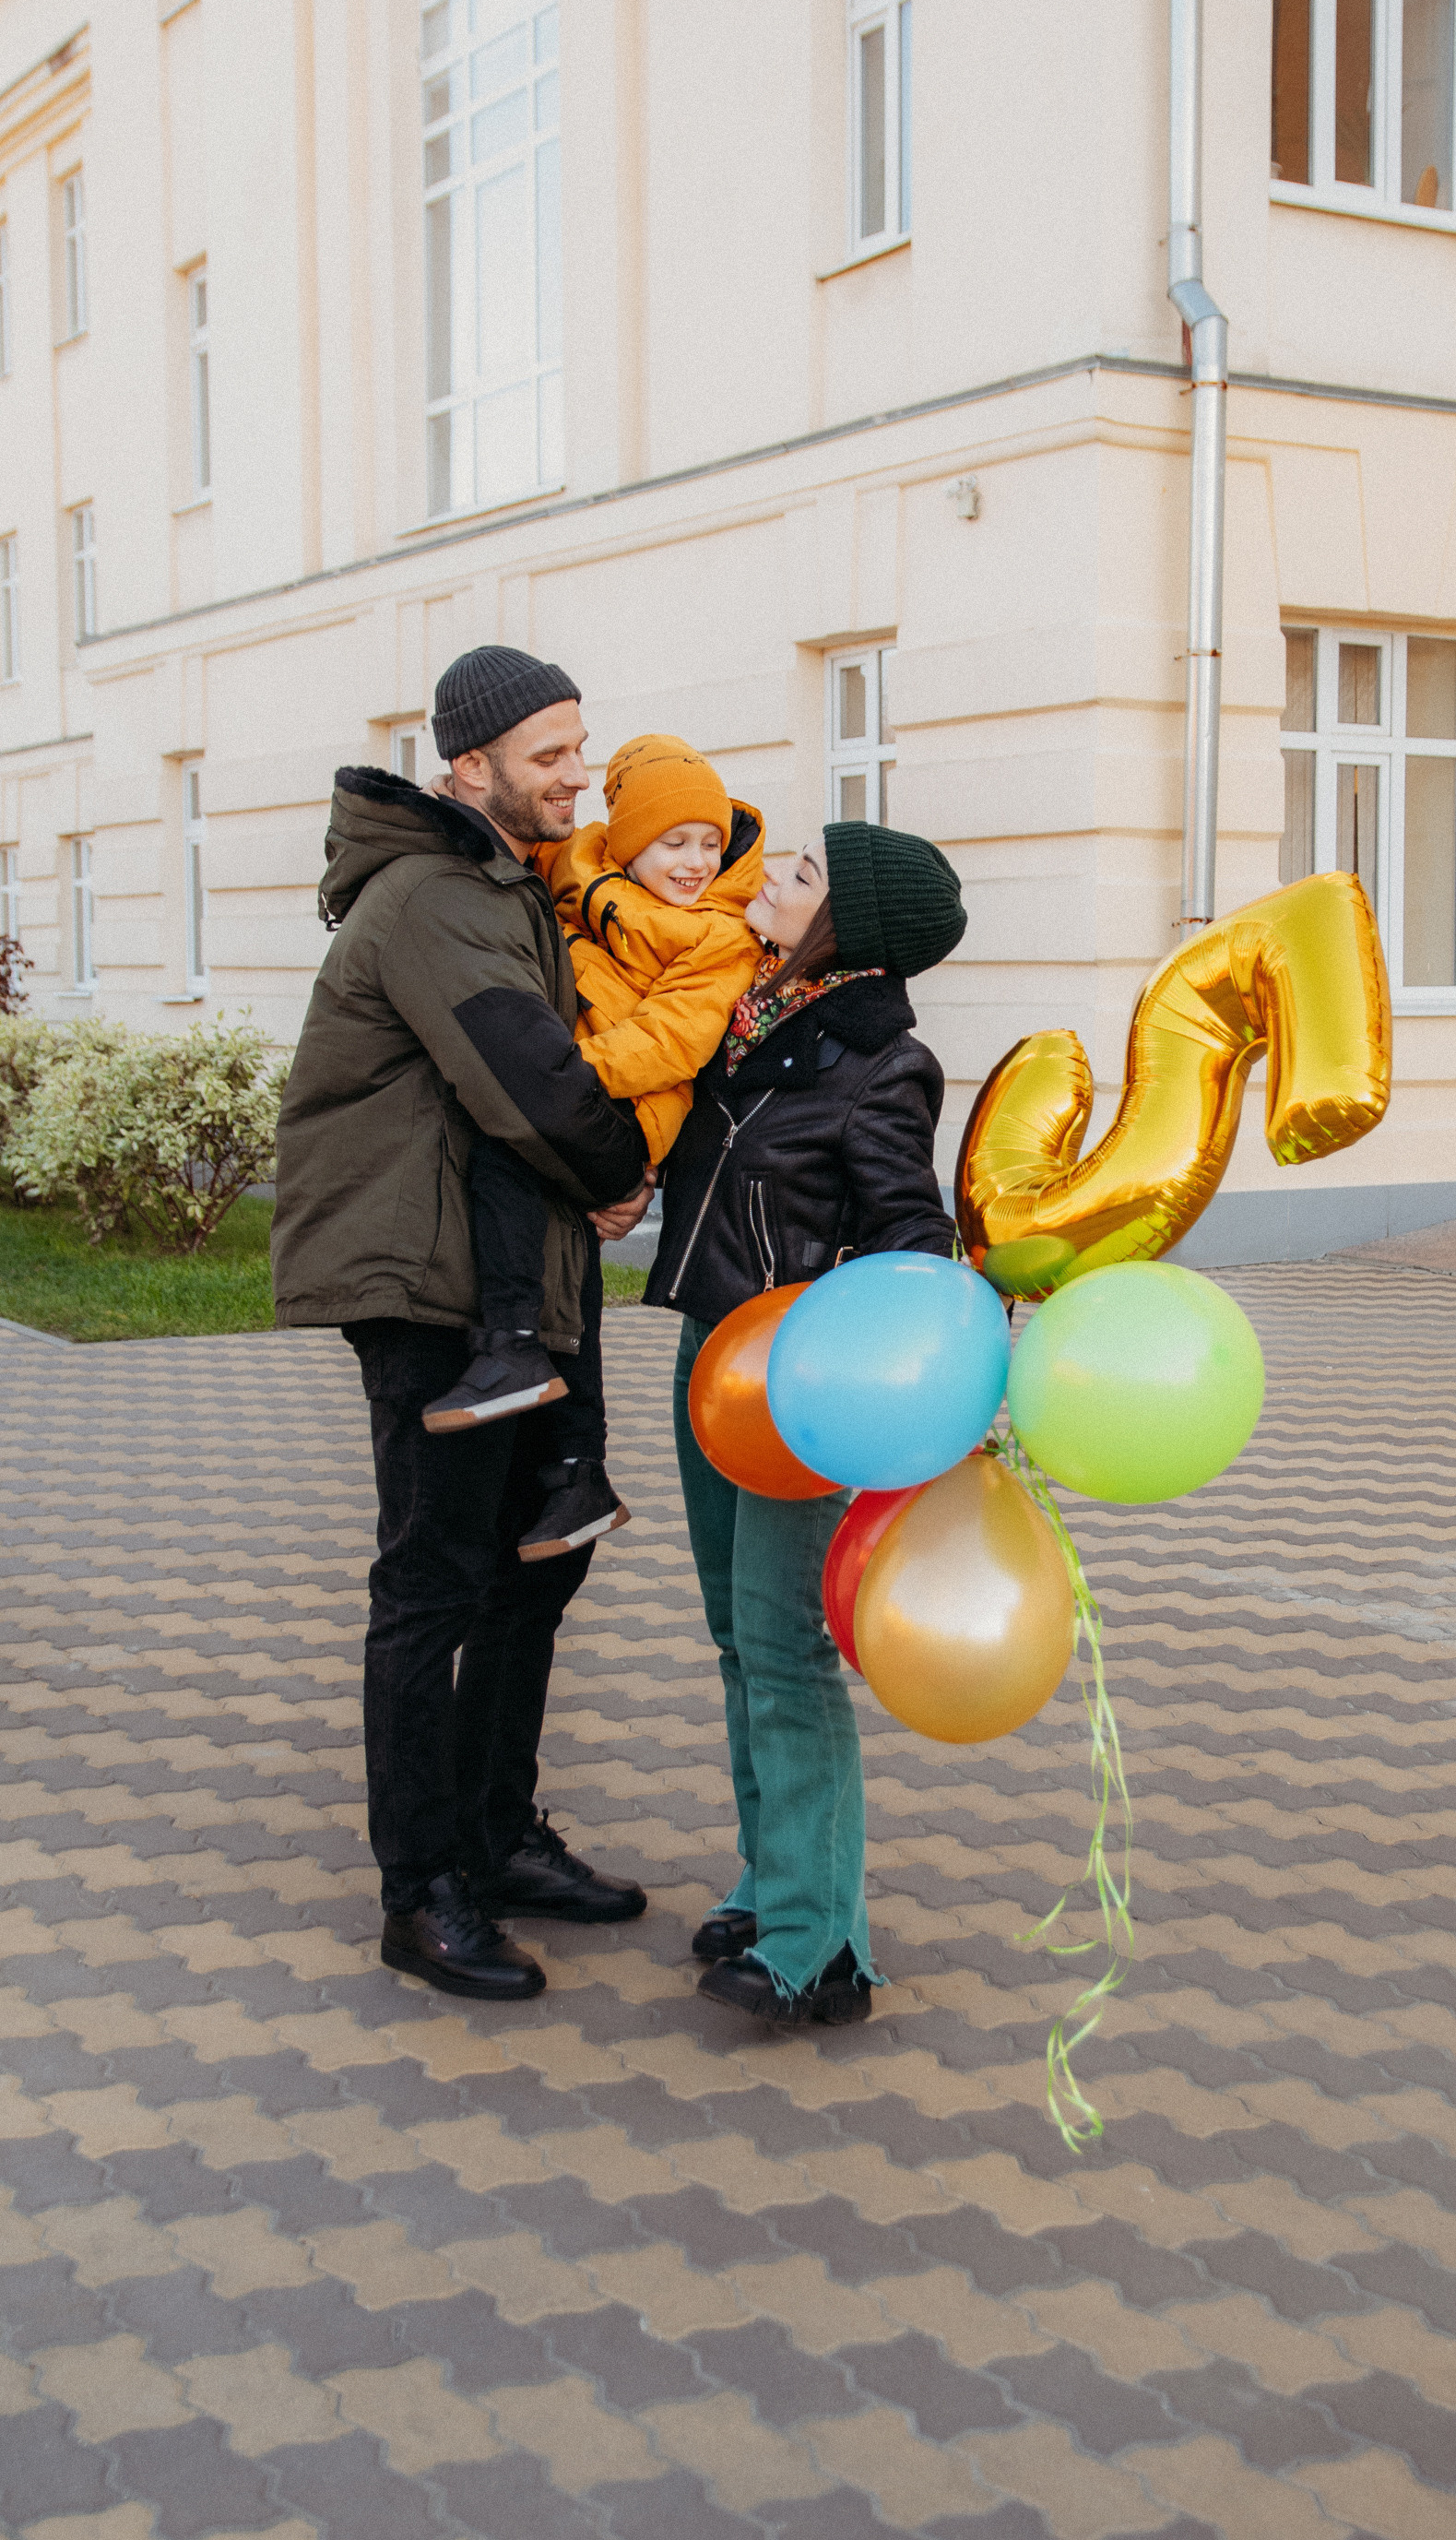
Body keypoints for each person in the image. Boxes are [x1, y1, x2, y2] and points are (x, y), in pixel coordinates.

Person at [271, 645, 656, 2003]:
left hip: (507, 1281)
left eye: (580, 746)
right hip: (425, 1286)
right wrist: (619, 1172)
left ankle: (495, 1835)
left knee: (531, 1569)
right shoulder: (437, 895)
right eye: (550, 754)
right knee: (433, 1581)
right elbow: (525, 1076)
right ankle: (421, 1889)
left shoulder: (505, 883)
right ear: (469, 766)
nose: (576, 775)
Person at [645, 820, 968, 2024]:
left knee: (786, 1649)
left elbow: (909, 1238)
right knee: (739, 1639)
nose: (772, 878)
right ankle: (771, 1879)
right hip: (710, 1357)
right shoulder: (748, 1021)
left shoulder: (880, 1062)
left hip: (800, 1383)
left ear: (851, 926)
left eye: (801, 873)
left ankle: (821, 1944)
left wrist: (888, 1364)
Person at [420, 737, 766, 1570]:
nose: (695, 861)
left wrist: (558, 1078)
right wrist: (448, 806)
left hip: (631, 1099)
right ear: (627, 843)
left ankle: (512, 1344)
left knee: (507, 1156)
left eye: (709, 842)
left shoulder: (721, 932)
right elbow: (512, 843)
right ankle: (578, 1468)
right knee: (563, 1246)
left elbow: (674, 1040)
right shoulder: (580, 865)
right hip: (577, 1082)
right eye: (674, 842)